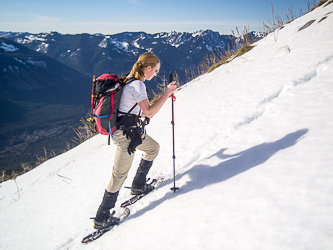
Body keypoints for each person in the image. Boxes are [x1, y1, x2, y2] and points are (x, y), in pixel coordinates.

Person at [93, 53, 177, 229]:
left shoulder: (130, 80)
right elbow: (149, 112)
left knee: (153, 148)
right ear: (147, 69)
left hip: (133, 134)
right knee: (119, 176)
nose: (155, 74)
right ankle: (102, 217)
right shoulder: (138, 85)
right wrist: (167, 93)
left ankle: (138, 185)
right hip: (125, 138)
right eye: (155, 71)